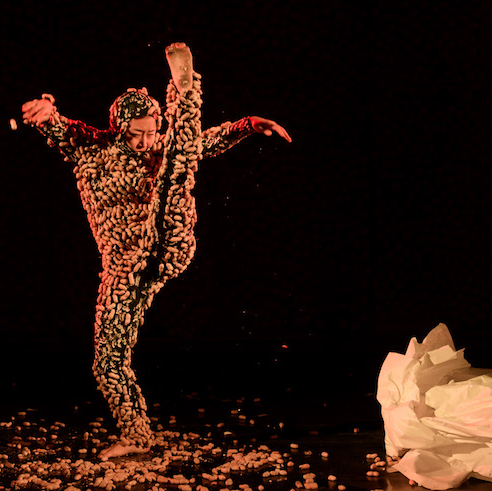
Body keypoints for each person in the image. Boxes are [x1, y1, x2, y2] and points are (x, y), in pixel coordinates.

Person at [21, 43, 291, 460]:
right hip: (124, 267)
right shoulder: (91, 148)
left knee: (176, 167)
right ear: (118, 128)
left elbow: (206, 142)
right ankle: (137, 435)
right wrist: (45, 110)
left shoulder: (161, 149)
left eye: (152, 132)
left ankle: (184, 92)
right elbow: (59, 126)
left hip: (167, 241)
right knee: (107, 359)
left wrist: (247, 125)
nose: (147, 141)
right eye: (138, 134)